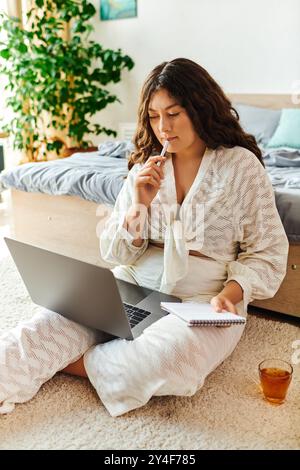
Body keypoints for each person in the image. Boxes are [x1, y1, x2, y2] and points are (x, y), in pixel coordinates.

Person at [0, 58, 289, 416]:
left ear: (200, 108)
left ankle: (77, 361)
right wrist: (138, 206)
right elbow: (115, 254)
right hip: (135, 283)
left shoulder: (240, 167)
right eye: (153, 116)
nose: (163, 128)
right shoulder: (145, 169)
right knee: (41, 329)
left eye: (174, 113)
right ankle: (95, 356)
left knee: (166, 360)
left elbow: (268, 251)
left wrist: (233, 294)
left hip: (207, 297)